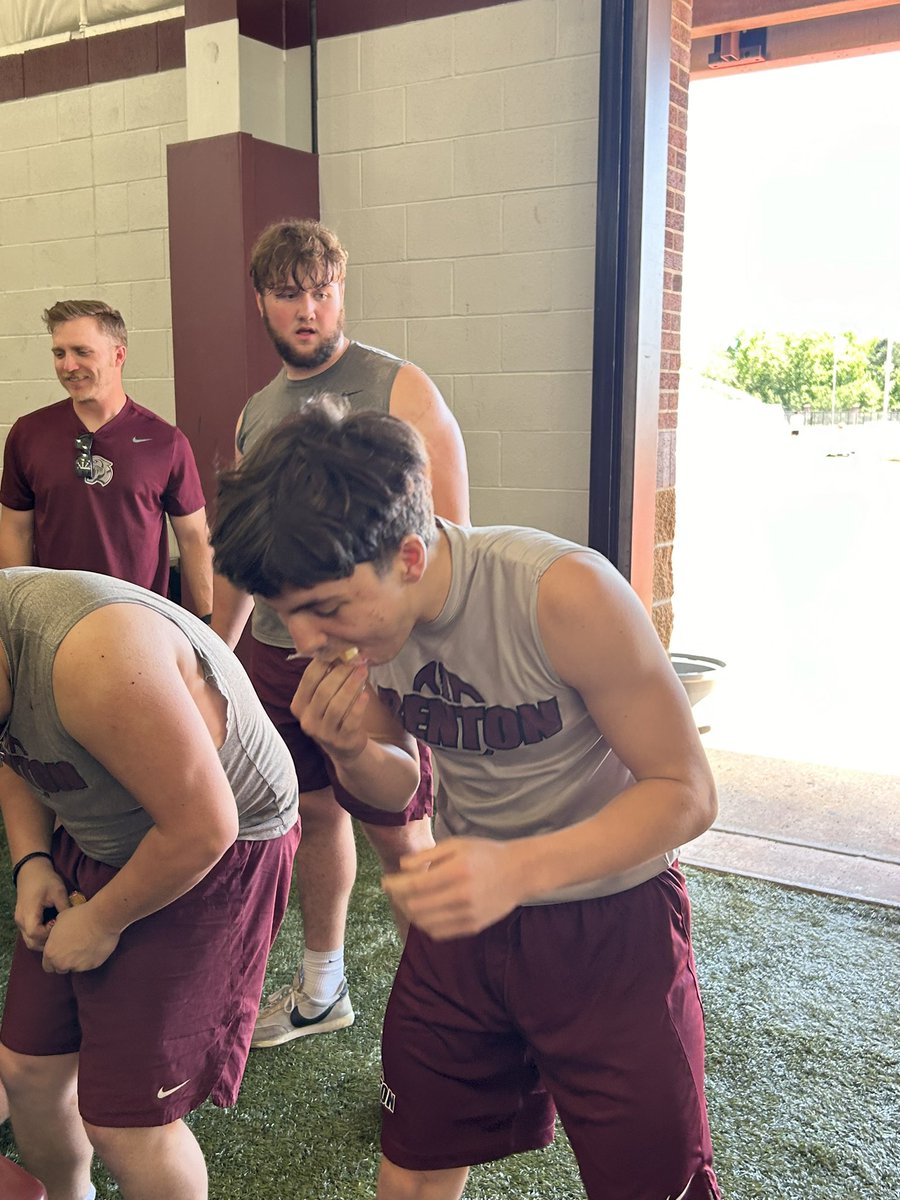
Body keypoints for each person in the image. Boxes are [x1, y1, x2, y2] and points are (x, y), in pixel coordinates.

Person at [210, 399, 722, 1200]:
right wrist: (347, 747)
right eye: (288, 613)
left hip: (610, 923)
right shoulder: (368, 633)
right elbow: (400, 781)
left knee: (654, 1186)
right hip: (467, 923)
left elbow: (687, 793)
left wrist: (518, 871)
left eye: (324, 608)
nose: (307, 639)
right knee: (410, 1171)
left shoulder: (563, 593)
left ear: (409, 555)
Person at [211, 219, 469, 1047]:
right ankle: (323, 989)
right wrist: (221, 647)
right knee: (313, 817)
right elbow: (244, 548)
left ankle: (455, 1022)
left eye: (321, 291)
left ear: (340, 291)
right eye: (289, 294)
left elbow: (449, 537)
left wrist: (408, 657)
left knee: (403, 836)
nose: (308, 309)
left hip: (374, 663)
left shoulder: (400, 390)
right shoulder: (256, 413)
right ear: (263, 302)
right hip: (281, 659)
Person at [0, 567, 299, 1200]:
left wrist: (104, 920)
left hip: (224, 837)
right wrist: (31, 861)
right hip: (105, 822)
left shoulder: (88, 658)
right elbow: (13, 746)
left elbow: (202, 828)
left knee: (126, 1125)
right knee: (27, 1069)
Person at [0, 300, 213, 617]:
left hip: (142, 623)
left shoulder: (166, 442)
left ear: (118, 355)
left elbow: (195, 538)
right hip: (54, 625)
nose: (68, 365)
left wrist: (210, 627)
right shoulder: (28, 433)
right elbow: (15, 529)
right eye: (59, 354)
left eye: (82, 352)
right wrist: (14, 620)